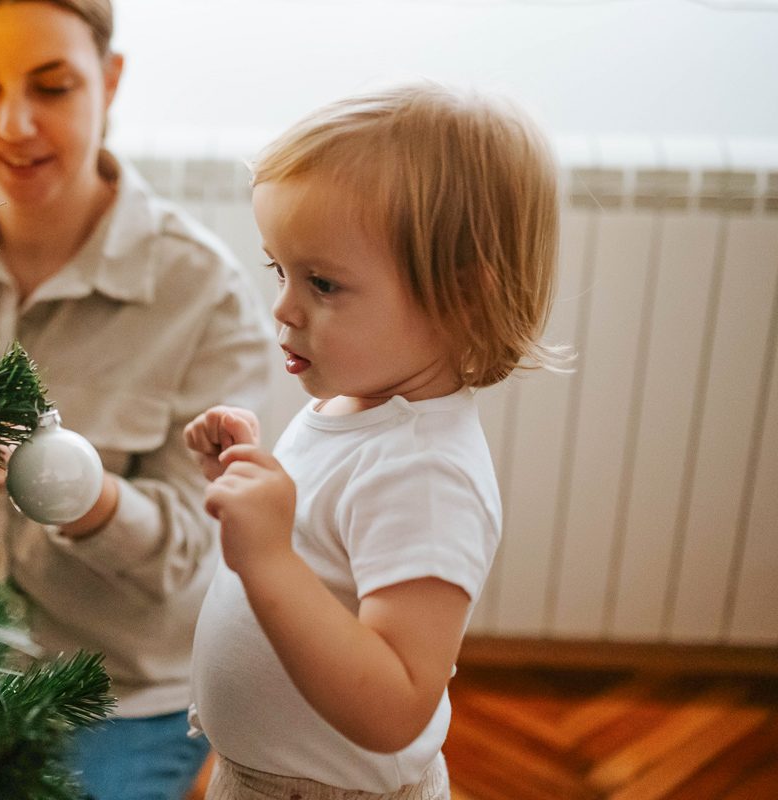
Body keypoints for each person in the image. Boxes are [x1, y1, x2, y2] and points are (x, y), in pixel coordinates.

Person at [184, 84, 565, 799]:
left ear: (462, 299)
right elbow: (322, 540)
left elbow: (394, 706)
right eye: (280, 269)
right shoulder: (353, 403)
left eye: (323, 283)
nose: (283, 306)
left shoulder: (427, 475)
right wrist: (252, 471)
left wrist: (266, 555)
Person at [0, 2, 272, 798]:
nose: (12, 125)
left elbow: (193, 550)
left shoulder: (204, 294)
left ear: (110, 79)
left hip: (120, 700)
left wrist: (71, 489)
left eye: (50, 87)